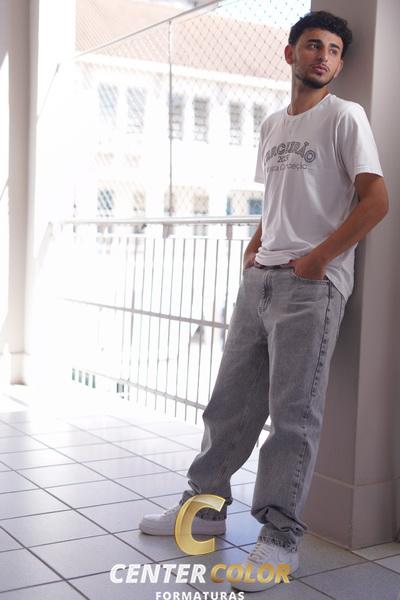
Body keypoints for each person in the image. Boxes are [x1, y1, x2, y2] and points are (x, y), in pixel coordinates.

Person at [139, 10, 389, 593]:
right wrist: (256, 245)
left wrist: (319, 259)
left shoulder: (345, 117)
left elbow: (376, 201)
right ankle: (205, 508)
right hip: (262, 280)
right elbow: (279, 198)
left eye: (334, 50)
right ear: (290, 53)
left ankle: (279, 539)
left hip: (312, 286)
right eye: (313, 45)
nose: (323, 57)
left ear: (340, 65)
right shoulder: (274, 124)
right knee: (229, 404)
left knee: (292, 417)